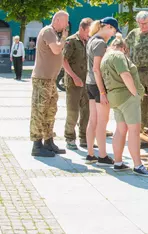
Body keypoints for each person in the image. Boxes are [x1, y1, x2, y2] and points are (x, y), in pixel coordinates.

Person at [101, 36, 148, 176]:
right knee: (134, 131)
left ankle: (118, 163)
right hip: (126, 97)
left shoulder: (105, 57)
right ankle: (138, 165)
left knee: (121, 129)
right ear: (124, 48)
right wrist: (135, 93)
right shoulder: (118, 55)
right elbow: (125, 74)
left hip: (115, 97)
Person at [30, 11, 69, 157]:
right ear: (58, 20)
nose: (66, 25)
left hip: (50, 80)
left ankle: (48, 141)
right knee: (39, 111)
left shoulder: (54, 33)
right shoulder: (48, 31)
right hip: (42, 79)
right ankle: (37, 145)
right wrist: (64, 38)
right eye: (65, 22)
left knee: (51, 111)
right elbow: (56, 49)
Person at [85, 17, 120, 165]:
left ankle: (91, 154)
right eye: (113, 30)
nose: (113, 34)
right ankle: (103, 156)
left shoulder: (92, 39)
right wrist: (103, 92)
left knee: (93, 120)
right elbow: (96, 69)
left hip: (90, 83)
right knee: (102, 122)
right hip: (98, 85)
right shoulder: (100, 43)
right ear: (107, 27)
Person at [63, 18, 93, 152]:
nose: (90, 34)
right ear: (81, 29)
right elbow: (63, 61)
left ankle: (84, 138)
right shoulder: (71, 41)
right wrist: (74, 77)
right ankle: (70, 138)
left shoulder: (89, 41)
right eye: (88, 31)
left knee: (87, 112)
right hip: (73, 83)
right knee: (73, 112)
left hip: (86, 82)